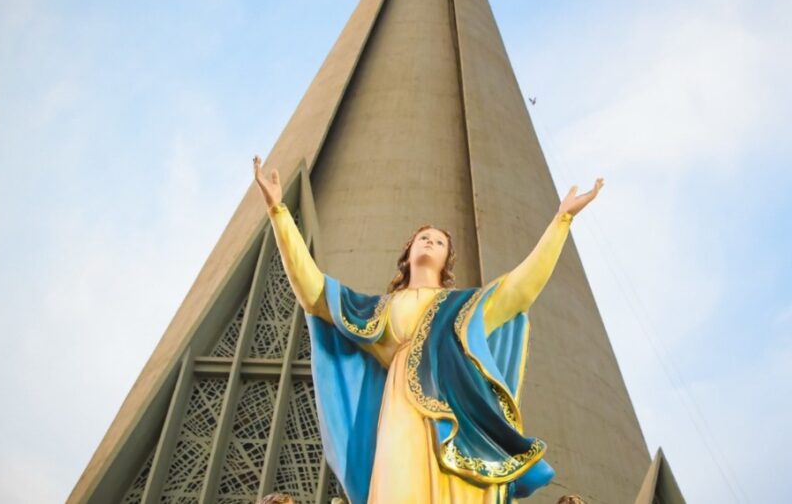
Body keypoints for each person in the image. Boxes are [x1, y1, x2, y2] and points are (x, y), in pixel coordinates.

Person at [253, 155, 604, 504]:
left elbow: (521, 288)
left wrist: (562, 220)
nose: (430, 243)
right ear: (407, 253)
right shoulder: (378, 309)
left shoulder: (465, 307)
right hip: (401, 407)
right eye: (423, 238)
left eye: (438, 241)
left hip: (462, 412)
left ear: (447, 258)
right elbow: (314, 293)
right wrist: (279, 213)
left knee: (461, 490)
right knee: (398, 484)